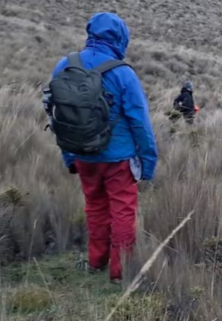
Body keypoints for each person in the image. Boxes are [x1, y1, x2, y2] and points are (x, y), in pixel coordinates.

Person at [47, 12, 158, 283]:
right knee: (122, 211)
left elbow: (58, 115)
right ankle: (120, 273)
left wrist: (69, 156)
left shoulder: (64, 65)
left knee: (94, 207)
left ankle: (97, 261)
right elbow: (140, 123)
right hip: (119, 158)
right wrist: (148, 164)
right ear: (121, 38)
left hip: (82, 154)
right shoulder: (122, 73)